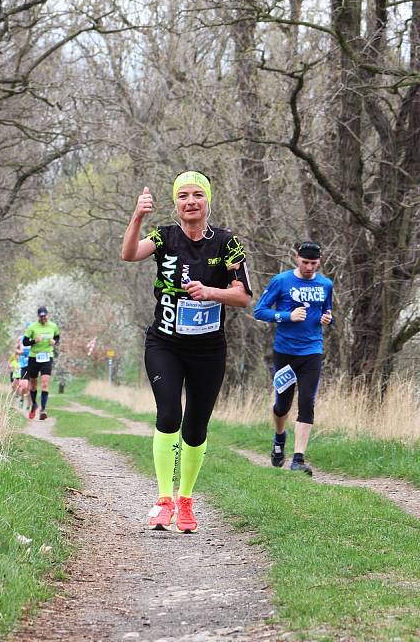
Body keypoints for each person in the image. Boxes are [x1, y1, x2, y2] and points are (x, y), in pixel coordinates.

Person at [121, 172, 252, 533]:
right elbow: (129, 254)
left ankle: (186, 501)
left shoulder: (227, 244)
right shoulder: (164, 236)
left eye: (197, 195)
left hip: (208, 350)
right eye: (183, 196)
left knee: (195, 428)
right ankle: (163, 500)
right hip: (165, 343)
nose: (191, 201)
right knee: (168, 415)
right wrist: (137, 217)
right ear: (176, 203)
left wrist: (211, 292)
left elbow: (242, 296)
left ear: (208, 201)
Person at [253, 241, 333, 476]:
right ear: (296, 258)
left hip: (312, 350)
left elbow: (327, 311)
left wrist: (329, 318)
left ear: (319, 262)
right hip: (285, 352)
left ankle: (298, 459)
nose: (309, 267)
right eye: (305, 262)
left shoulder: (326, 284)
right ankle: (279, 438)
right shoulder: (281, 281)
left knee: (307, 401)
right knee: (282, 405)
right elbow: (260, 311)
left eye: (313, 263)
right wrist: (287, 315)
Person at [22, 307, 60, 420]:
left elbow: (57, 338)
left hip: (47, 357)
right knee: (33, 384)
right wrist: (34, 341)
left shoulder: (53, 326)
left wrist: (55, 342)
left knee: (44, 383)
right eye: (41, 316)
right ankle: (34, 404)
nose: (43, 318)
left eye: (45, 316)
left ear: (47, 315)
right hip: (34, 358)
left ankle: (43, 410)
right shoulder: (32, 327)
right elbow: (25, 341)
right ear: (38, 316)